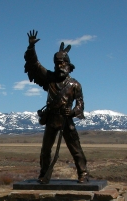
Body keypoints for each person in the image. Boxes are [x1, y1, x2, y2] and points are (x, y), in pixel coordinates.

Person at [24, 30, 88, 183]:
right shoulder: (49, 79)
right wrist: (31, 47)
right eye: (57, 63)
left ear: (68, 64)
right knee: (45, 150)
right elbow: (34, 65)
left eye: (62, 63)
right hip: (52, 119)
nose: (59, 66)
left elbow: (80, 104)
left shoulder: (75, 85)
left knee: (75, 150)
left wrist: (72, 112)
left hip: (67, 119)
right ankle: (44, 175)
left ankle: (83, 174)